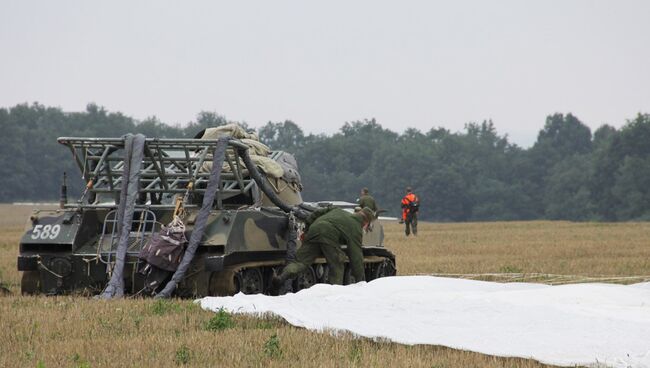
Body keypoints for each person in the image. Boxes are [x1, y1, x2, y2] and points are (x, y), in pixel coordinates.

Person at [271, 206, 375, 293]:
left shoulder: (337, 210)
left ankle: (281, 277)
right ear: (366, 223)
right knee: (337, 265)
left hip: (314, 230)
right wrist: (360, 282)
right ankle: (332, 294)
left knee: (300, 262)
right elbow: (356, 257)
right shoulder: (356, 228)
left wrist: (307, 230)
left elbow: (316, 213)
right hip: (328, 236)